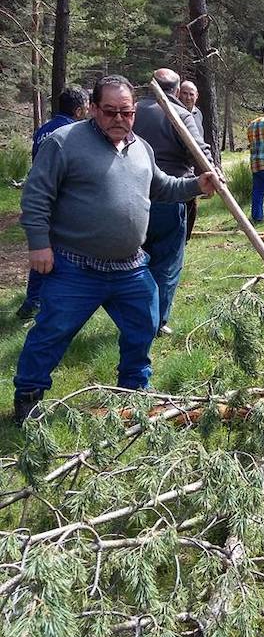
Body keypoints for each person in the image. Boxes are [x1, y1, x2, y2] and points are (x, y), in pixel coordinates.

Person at [12, 74, 217, 426]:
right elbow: (36, 197)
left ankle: (133, 392)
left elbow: (162, 186)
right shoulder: (64, 143)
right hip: (76, 266)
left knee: (145, 324)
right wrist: (39, 245)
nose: (119, 119)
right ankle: (28, 396)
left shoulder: (141, 148)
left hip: (130, 267)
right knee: (52, 331)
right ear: (93, 109)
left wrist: (196, 185)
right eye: (110, 112)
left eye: (126, 112)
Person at [133, 68, 214, 336]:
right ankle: (157, 321)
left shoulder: (132, 111)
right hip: (171, 194)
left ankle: (136, 315)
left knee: (136, 258)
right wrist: (211, 175)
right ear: (177, 91)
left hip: (134, 195)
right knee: (167, 262)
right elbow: (199, 150)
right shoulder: (180, 115)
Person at [16, 85, 91, 320]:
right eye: (87, 107)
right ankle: (54, 302)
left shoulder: (43, 130)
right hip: (63, 199)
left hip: (42, 196)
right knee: (62, 252)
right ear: (79, 111)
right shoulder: (74, 132)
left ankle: (32, 301)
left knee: (44, 248)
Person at [177, 79, 204, 240]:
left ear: (197, 96)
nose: (187, 97)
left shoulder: (198, 113)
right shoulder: (173, 112)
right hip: (178, 169)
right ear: (178, 94)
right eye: (184, 93)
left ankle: (184, 239)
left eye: (191, 94)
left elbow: (201, 141)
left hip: (193, 170)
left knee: (191, 207)